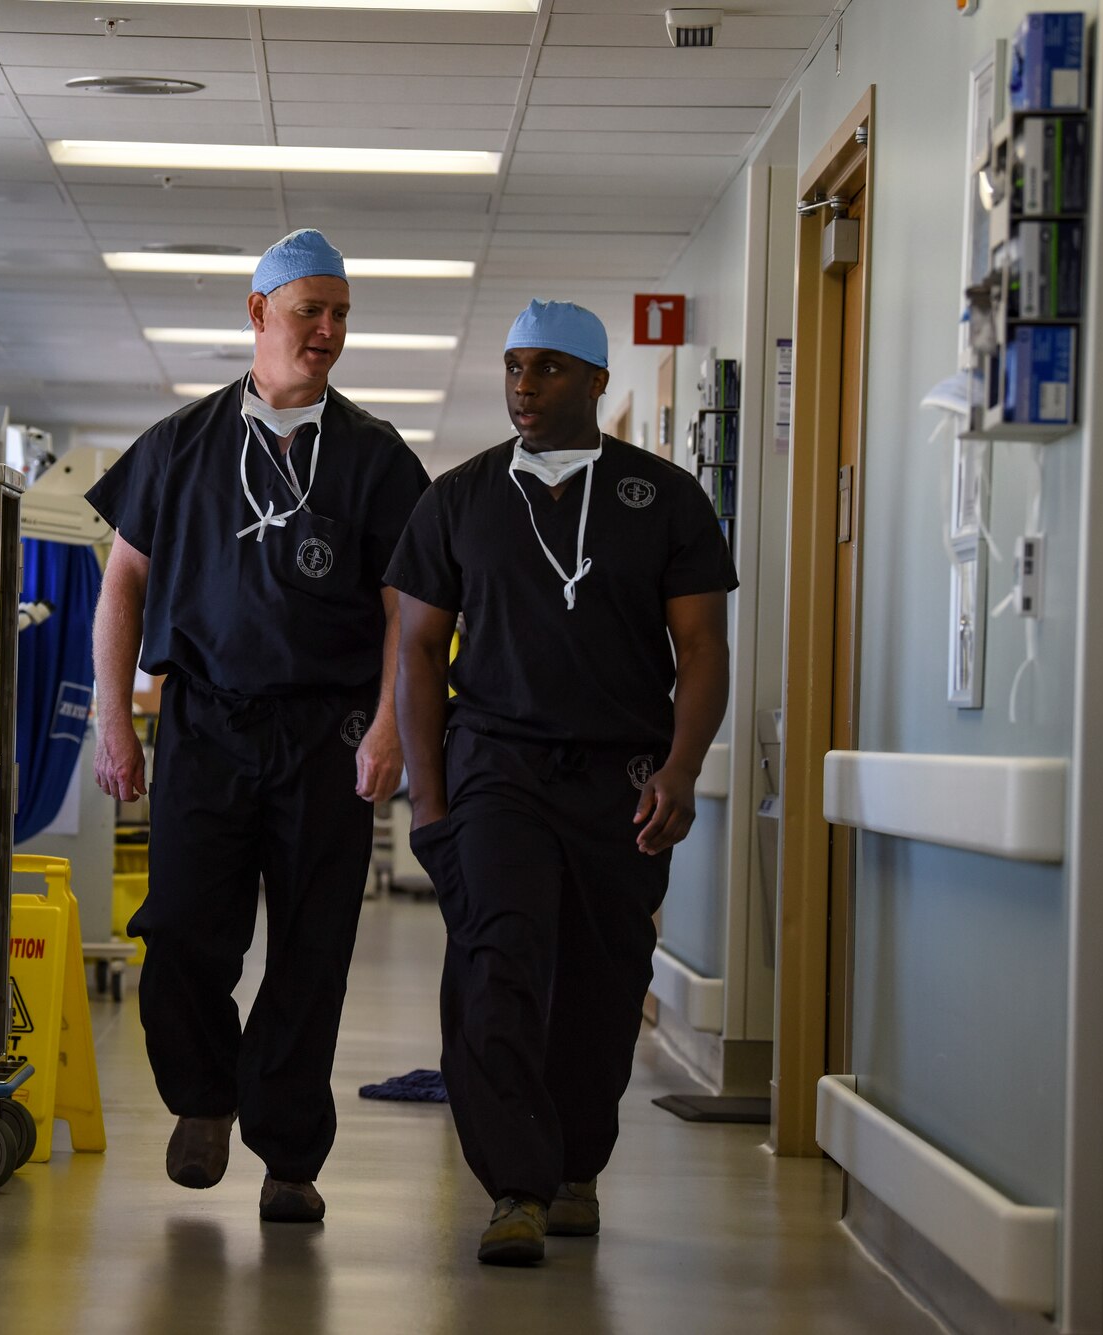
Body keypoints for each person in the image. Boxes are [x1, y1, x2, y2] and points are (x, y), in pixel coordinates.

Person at [86, 228, 431, 1224]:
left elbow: (400, 612)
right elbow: (122, 589)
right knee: (184, 932)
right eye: (306, 313)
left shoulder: (371, 457)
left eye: (338, 317)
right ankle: (202, 1098)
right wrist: (115, 719)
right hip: (202, 725)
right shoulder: (180, 446)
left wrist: (389, 732)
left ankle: (287, 1154)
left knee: (311, 948)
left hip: (324, 734)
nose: (324, 333)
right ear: (255, 314)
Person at [385, 300, 734, 1265]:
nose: (523, 388)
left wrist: (682, 766)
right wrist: (432, 796)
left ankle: (577, 1166)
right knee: (496, 969)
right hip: (495, 766)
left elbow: (703, 646)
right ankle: (515, 1187)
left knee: (600, 980)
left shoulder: (664, 498)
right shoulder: (456, 499)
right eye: (512, 369)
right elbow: (416, 649)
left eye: (545, 370)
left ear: (594, 382)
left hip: (620, 776)